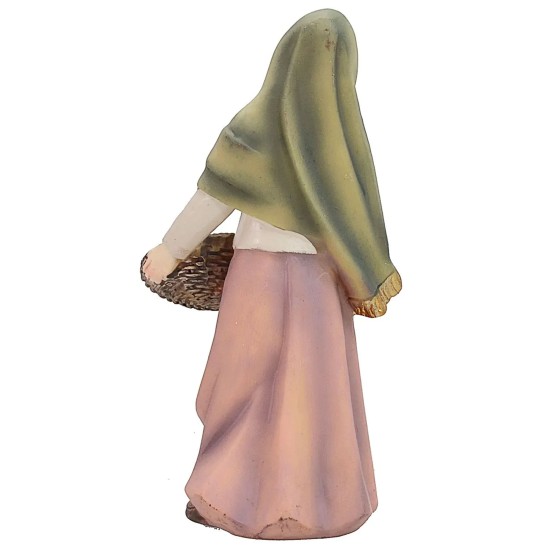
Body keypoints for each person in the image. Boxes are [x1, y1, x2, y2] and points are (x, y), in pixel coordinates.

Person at [143, 8, 401, 540]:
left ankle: (239, 495)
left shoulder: (261, 129)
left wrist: (170, 250)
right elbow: (358, 225)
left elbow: (212, 198)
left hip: (262, 277)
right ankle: (313, 500)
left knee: (255, 386)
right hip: (315, 290)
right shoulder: (340, 146)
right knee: (304, 390)